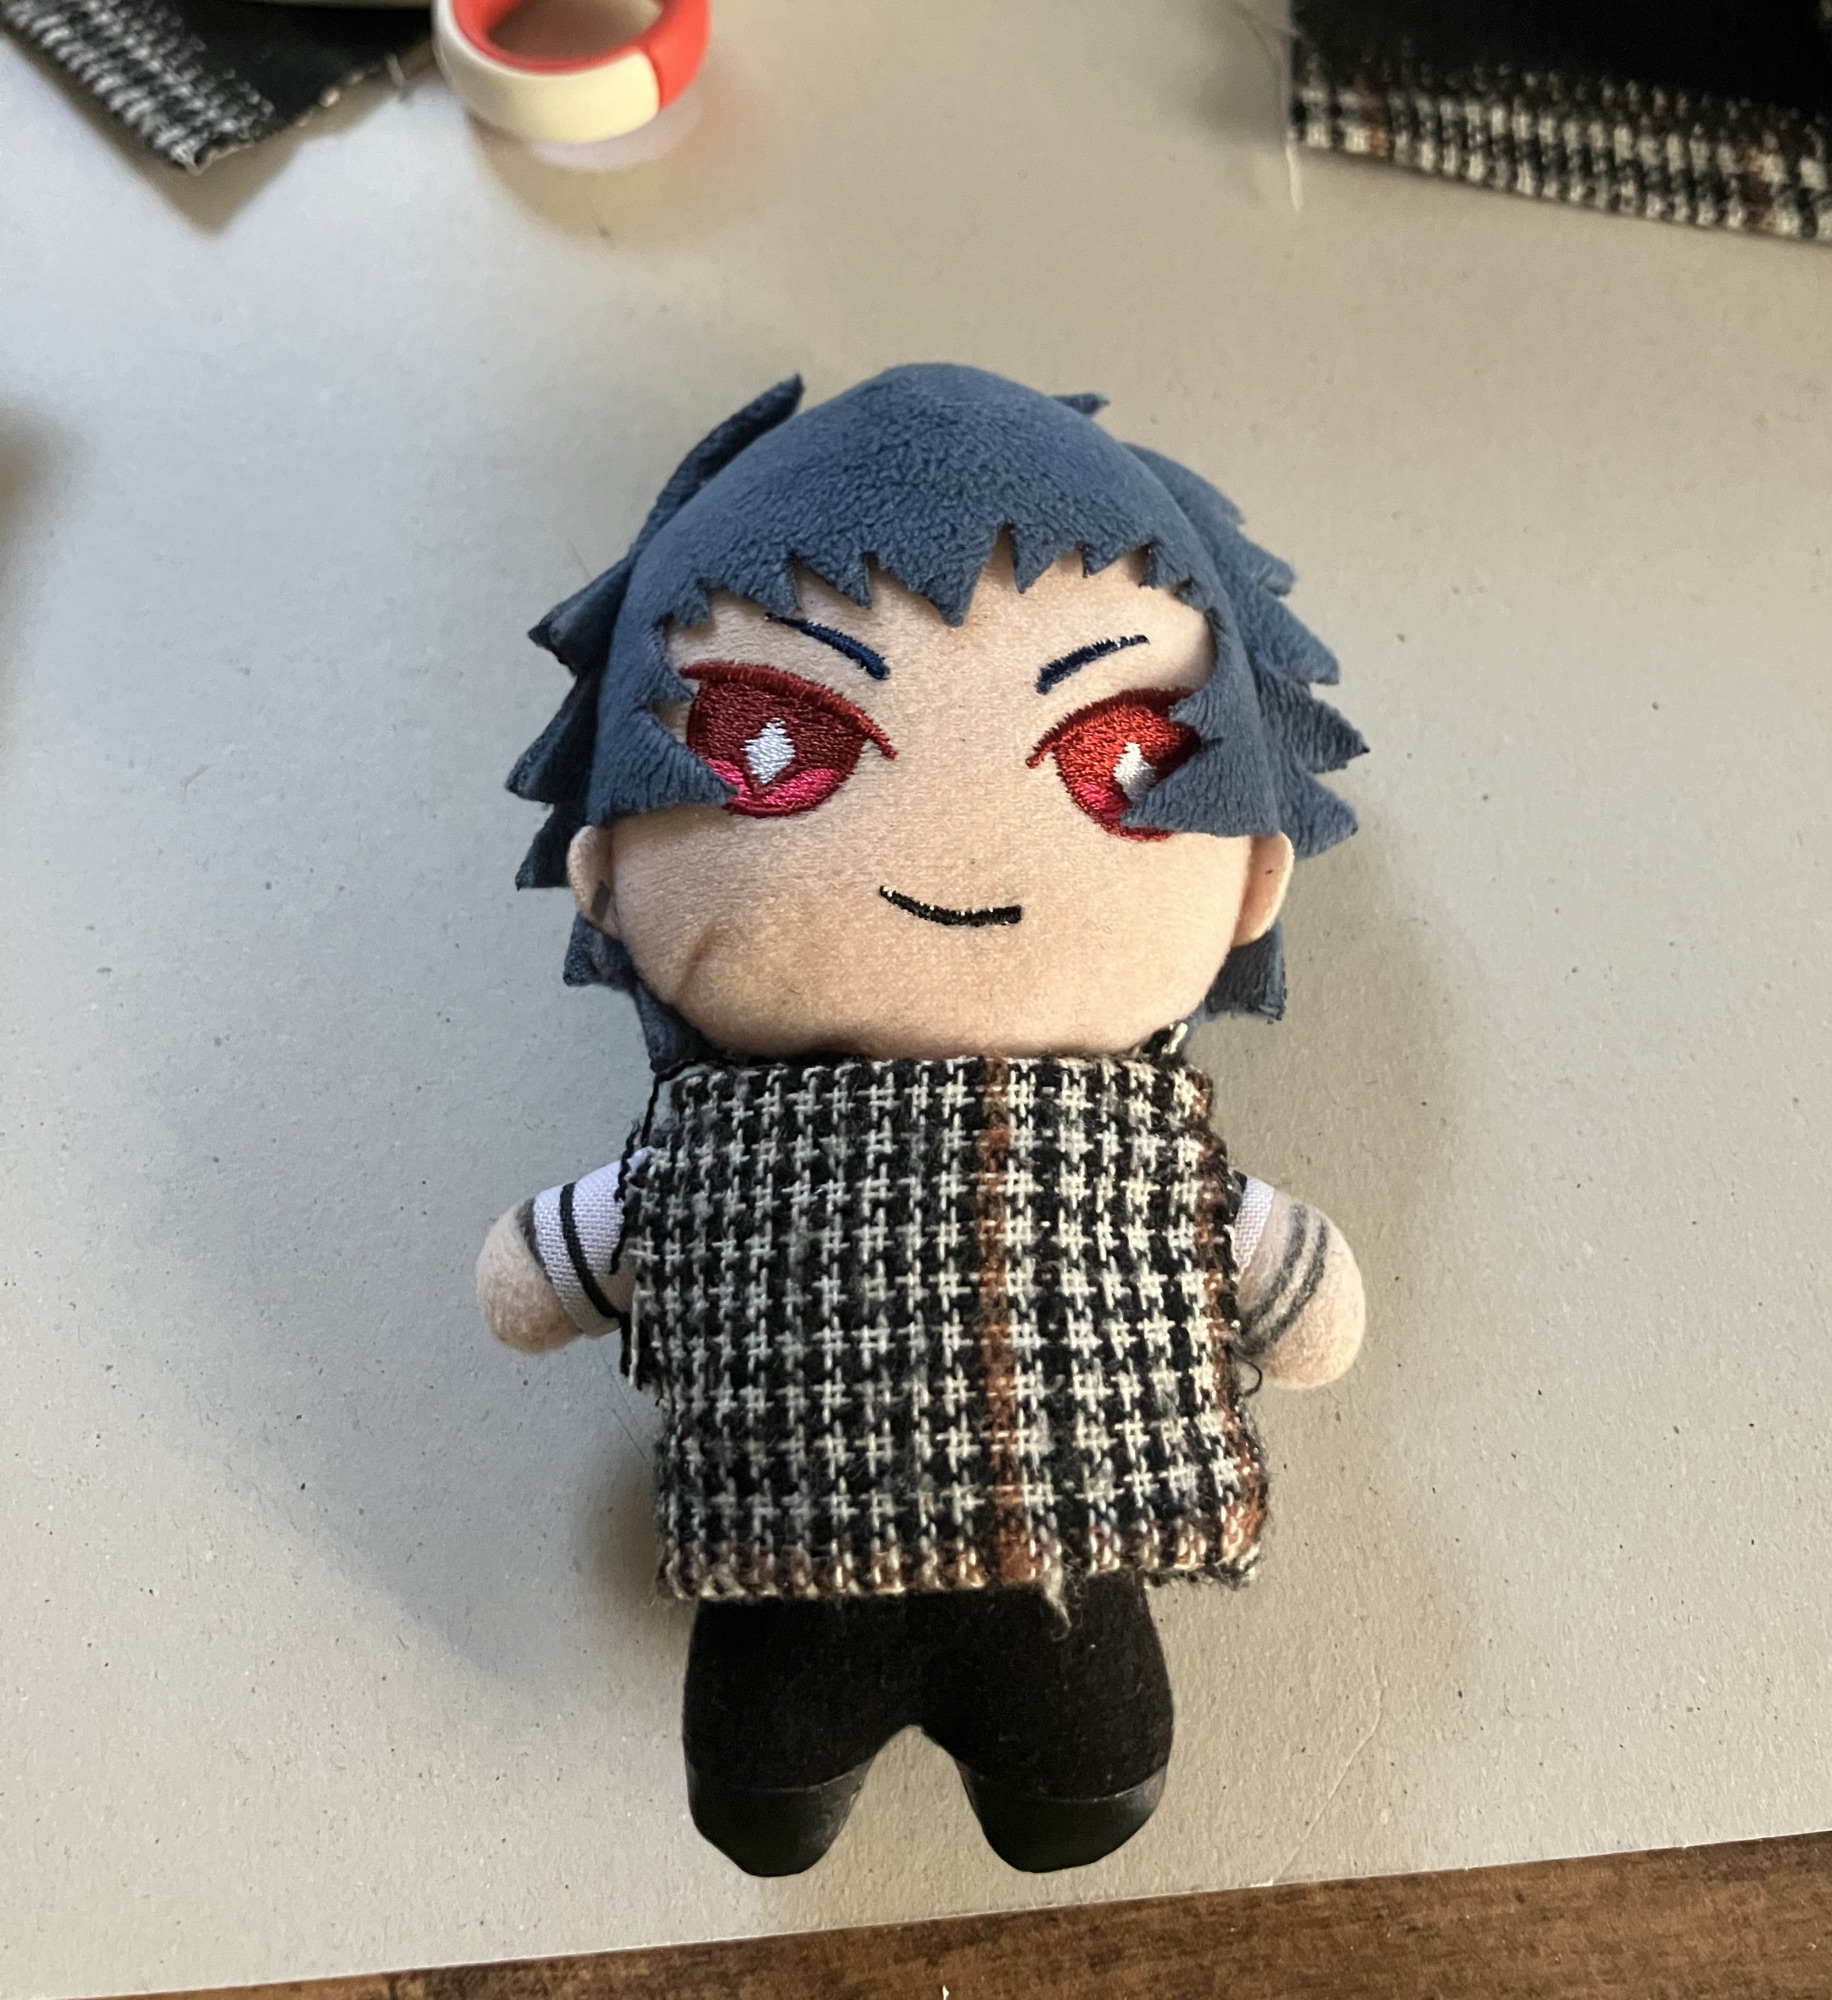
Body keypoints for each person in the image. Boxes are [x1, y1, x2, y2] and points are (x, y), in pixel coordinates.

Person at [477, 364, 1367, 1874]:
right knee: (787, 1775)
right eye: (775, 743)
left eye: (1116, 757)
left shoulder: (1139, 1155)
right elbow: (1306, 1311)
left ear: (1253, 876)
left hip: (1053, 1593)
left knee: (1059, 1767)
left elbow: (540, 1280)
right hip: (792, 1595)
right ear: (605, 865)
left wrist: (546, 1267)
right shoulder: (712, 1159)